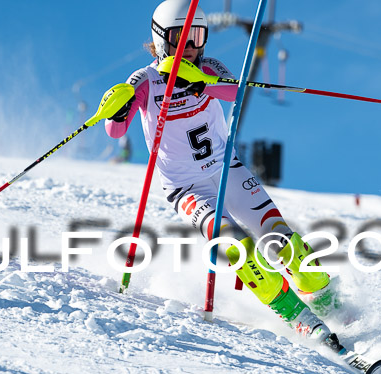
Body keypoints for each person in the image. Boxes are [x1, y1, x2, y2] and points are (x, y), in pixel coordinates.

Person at [102, 0, 339, 348]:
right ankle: (298, 317)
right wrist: (118, 110)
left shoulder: (209, 67)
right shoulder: (145, 81)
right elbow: (114, 132)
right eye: (181, 38)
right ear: (161, 39)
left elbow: (236, 90)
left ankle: (328, 303)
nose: (191, 46)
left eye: (198, 36)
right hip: (187, 190)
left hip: (228, 171)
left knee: (286, 243)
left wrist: (203, 84)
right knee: (239, 249)